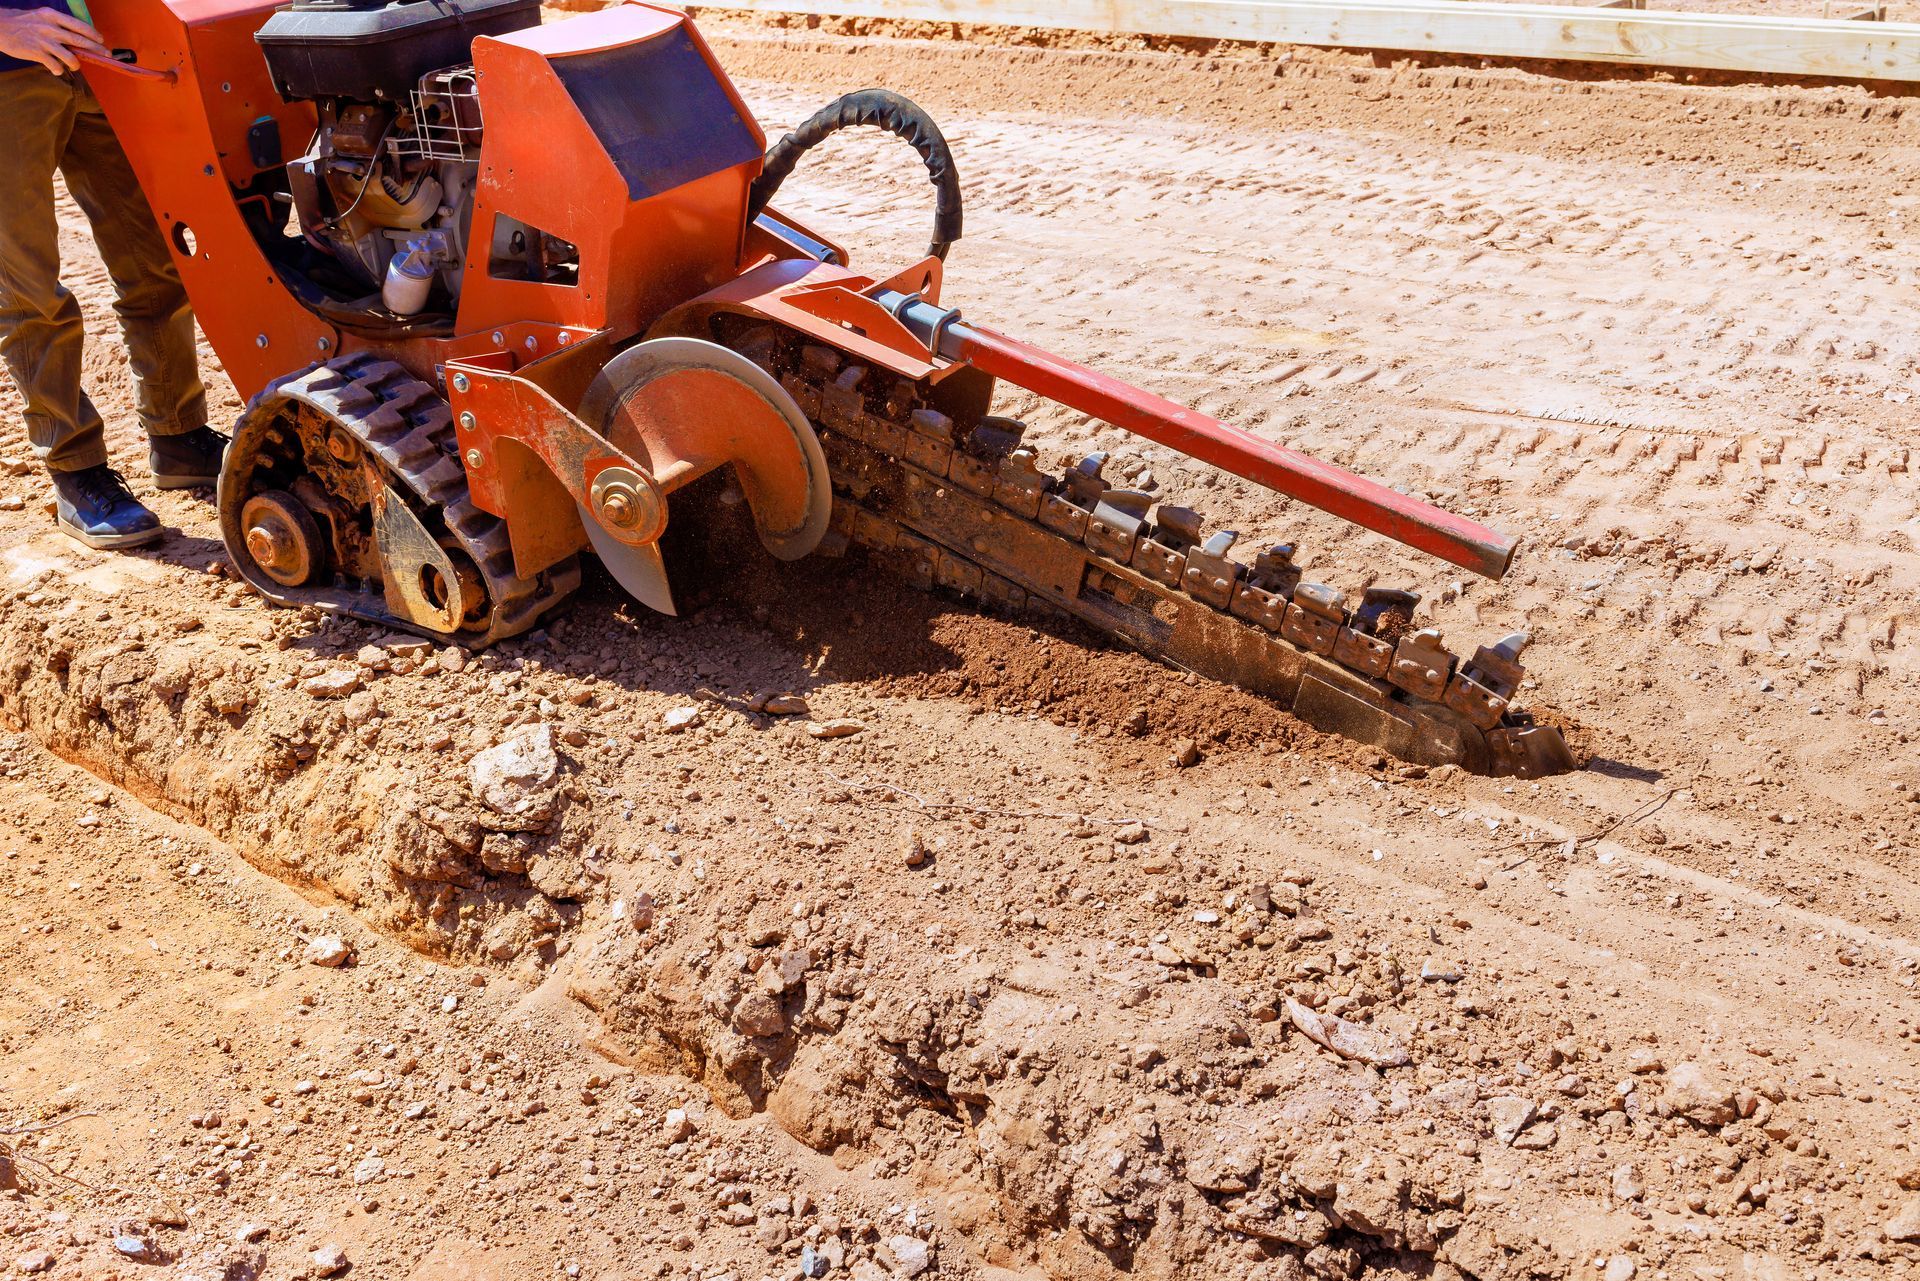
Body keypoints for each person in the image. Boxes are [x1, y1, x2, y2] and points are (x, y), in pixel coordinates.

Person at [0, 0, 226, 549]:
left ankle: (178, 434)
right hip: (8, 70)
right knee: (28, 288)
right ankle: (75, 468)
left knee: (158, 263)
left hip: (107, 55)